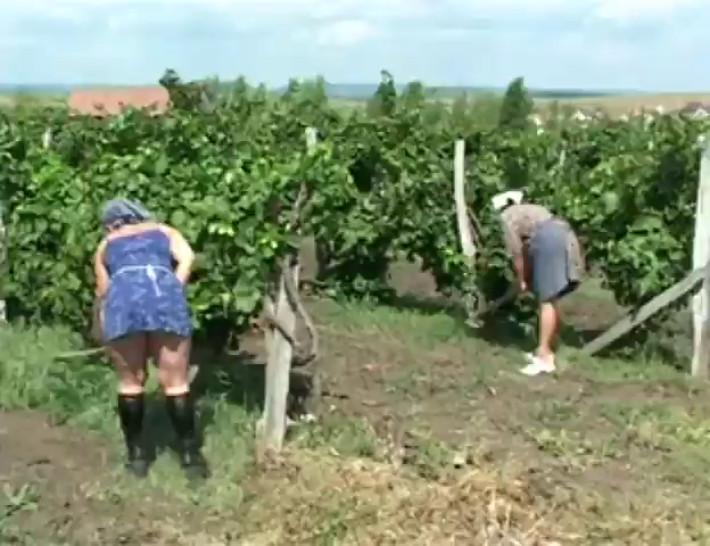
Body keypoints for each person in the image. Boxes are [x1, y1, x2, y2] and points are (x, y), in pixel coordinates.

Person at [93, 198, 208, 479]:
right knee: (176, 380)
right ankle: (191, 458)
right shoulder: (165, 231)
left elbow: (103, 288)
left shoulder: (106, 244)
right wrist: (173, 284)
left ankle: (138, 458)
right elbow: (188, 258)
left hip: (123, 300)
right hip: (163, 295)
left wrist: (102, 323)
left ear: (111, 223)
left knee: (130, 382)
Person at [493, 190, 585, 376]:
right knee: (553, 297)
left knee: (546, 300)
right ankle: (550, 345)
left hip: (549, 239)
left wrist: (521, 281)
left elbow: (518, 255)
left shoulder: (505, 219)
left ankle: (544, 356)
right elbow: (528, 249)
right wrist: (526, 279)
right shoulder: (534, 209)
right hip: (565, 234)